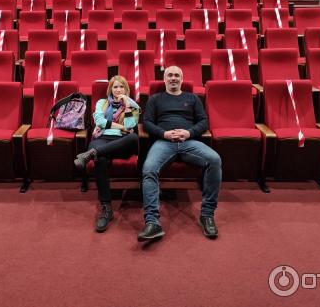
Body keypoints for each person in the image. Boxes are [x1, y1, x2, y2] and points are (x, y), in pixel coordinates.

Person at [139, 66, 222, 241]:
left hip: (188, 143)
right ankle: (152, 222)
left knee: (214, 159)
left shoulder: (192, 98)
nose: (173, 78)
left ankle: (207, 214)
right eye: (170, 75)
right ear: (164, 79)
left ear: (182, 79)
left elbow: (203, 122)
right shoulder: (155, 99)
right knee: (149, 168)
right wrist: (164, 134)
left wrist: (189, 133)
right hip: (163, 142)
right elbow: (146, 123)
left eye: (177, 75)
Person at [74, 76, 140, 232]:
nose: (118, 90)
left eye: (121, 87)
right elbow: (100, 122)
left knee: (133, 137)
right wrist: (121, 127)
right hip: (102, 138)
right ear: (110, 89)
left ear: (126, 90)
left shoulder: (133, 106)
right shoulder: (101, 103)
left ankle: (90, 154)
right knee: (101, 159)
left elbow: (130, 126)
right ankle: (106, 208)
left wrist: (127, 107)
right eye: (115, 87)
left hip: (122, 142)